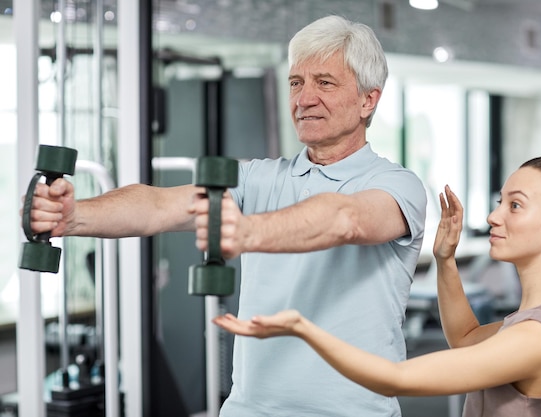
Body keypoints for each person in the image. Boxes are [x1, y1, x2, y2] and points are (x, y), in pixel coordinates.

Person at [24, 15, 427, 417]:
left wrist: (246, 230)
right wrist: (75, 216)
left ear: (367, 100)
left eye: (324, 82)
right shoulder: (258, 177)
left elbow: (346, 220)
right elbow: (158, 206)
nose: (304, 99)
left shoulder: (397, 186)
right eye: (295, 83)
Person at [213, 156, 541, 417]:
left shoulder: (538, 337)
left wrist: (302, 327)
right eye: (499, 202)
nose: (494, 216)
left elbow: (396, 379)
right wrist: (445, 259)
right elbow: (466, 338)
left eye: (514, 205)